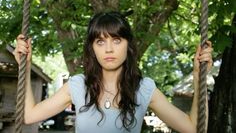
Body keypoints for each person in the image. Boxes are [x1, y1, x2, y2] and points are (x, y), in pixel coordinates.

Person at [13, 11, 213, 133]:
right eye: (100, 41)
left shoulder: (144, 89)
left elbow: (193, 128)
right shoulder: (77, 86)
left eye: (116, 40)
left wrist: (198, 78)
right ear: (93, 48)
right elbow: (29, 116)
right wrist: (26, 66)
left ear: (128, 45)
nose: (109, 49)